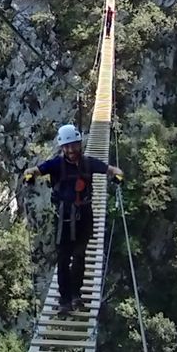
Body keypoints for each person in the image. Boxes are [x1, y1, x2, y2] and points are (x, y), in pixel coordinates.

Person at [23, 123, 122, 315]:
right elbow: (32, 170)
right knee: (63, 259)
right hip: (64, 218)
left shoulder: (88, 163)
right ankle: (65, 300)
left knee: (79, 257)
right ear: (62, 148)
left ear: (79, 144)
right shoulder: (55, 165)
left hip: (84, 217)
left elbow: (114, 170)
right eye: (67, 147)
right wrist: (29, 177)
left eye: (74, 145)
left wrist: (118, 178)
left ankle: (76, 295)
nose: (71, 150)